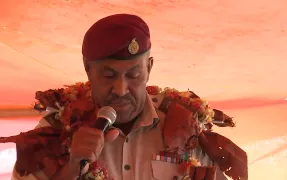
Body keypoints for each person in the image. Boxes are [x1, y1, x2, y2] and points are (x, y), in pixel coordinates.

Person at [10, 14, 247, 180]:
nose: (121, 89)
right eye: (109, 75)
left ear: (149, 68)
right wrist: (72, 167)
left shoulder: (188, 129)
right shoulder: (54, 131)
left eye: (134, 75)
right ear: (88, 70)